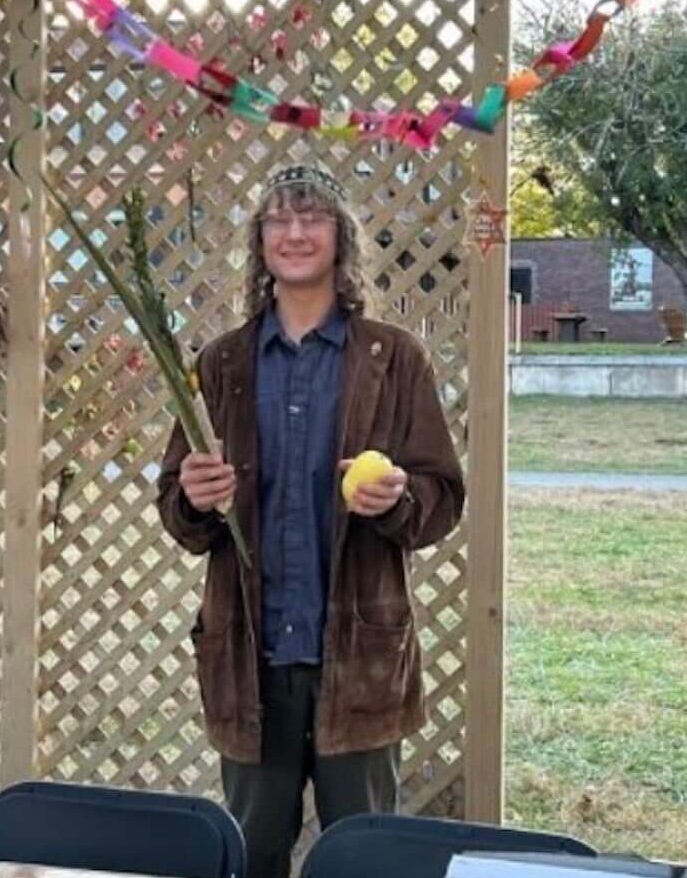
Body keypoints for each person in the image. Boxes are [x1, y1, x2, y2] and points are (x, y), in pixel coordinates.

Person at [156, 161, 466, 878]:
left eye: (312, 217)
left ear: (341, 239)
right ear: (261, 242)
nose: (295, 232)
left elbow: (442, 496)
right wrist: (195, 500)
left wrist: (398, 501)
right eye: (279, 219)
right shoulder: (221, 364)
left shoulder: (394, 359)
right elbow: (177, 506)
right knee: (251, 856)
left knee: (363, 859)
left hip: (358, 661)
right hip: (250, 660)